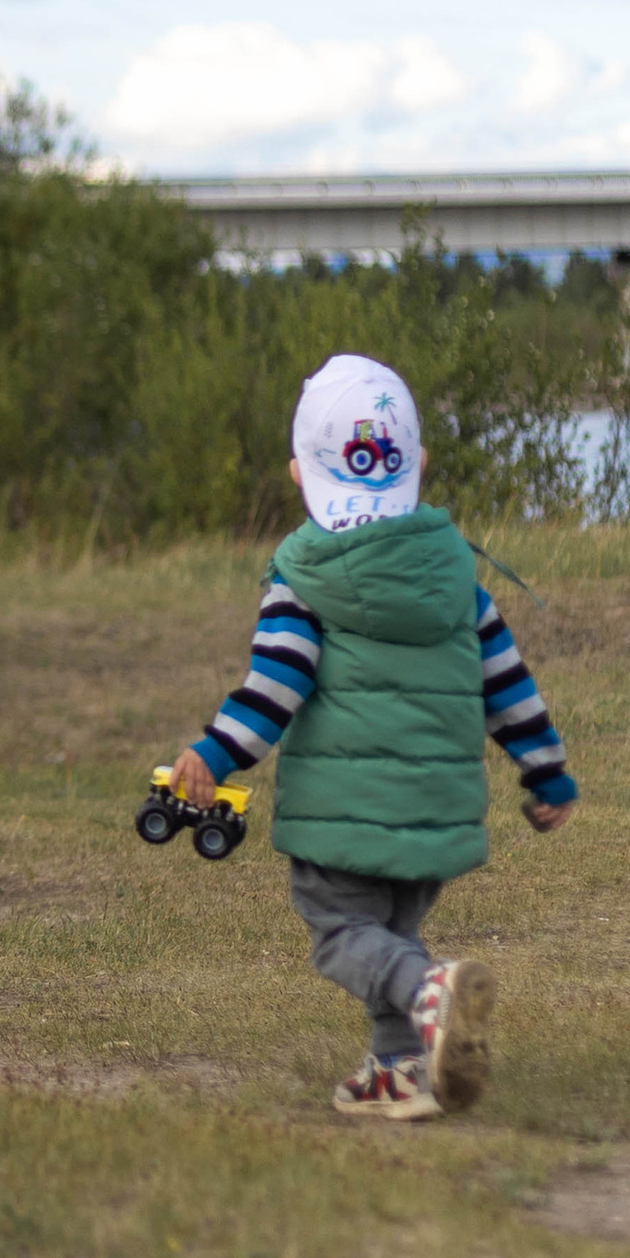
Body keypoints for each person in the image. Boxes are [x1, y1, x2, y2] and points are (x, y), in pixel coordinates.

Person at [167, 351, 577, 1121]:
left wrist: (215, 753)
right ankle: (399, 1072)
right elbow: (508, 684)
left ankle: (430, 992)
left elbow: (276, 687)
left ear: (299, 473)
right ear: (416, 463)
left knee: (341, 934)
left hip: (343, 815)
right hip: (435, 814)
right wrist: (546, 774)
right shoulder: (458, 576)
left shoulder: (305, 578)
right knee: (392, 929)